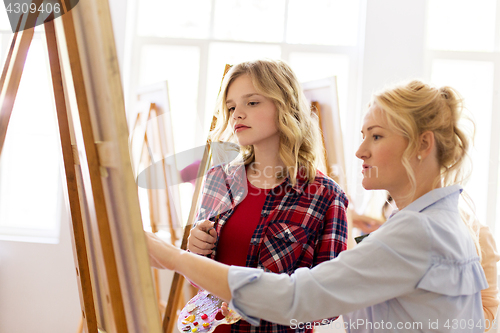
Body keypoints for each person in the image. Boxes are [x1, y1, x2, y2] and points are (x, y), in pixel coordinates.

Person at [147, 80, 489, 332]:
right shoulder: (435, 222)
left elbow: (298, 298)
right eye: (363, 135)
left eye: (377, 136)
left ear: (422, 144)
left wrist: (172, 257)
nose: (360, 151)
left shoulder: (416, 230)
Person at [184, 59, 349, 333]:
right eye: (231, 107)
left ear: (285, 105)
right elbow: (200, 282)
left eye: (252, 102)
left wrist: (263, 303)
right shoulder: (219, 179)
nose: (237, 114)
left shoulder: (326, 196)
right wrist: (196, 250)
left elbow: (328, 307)